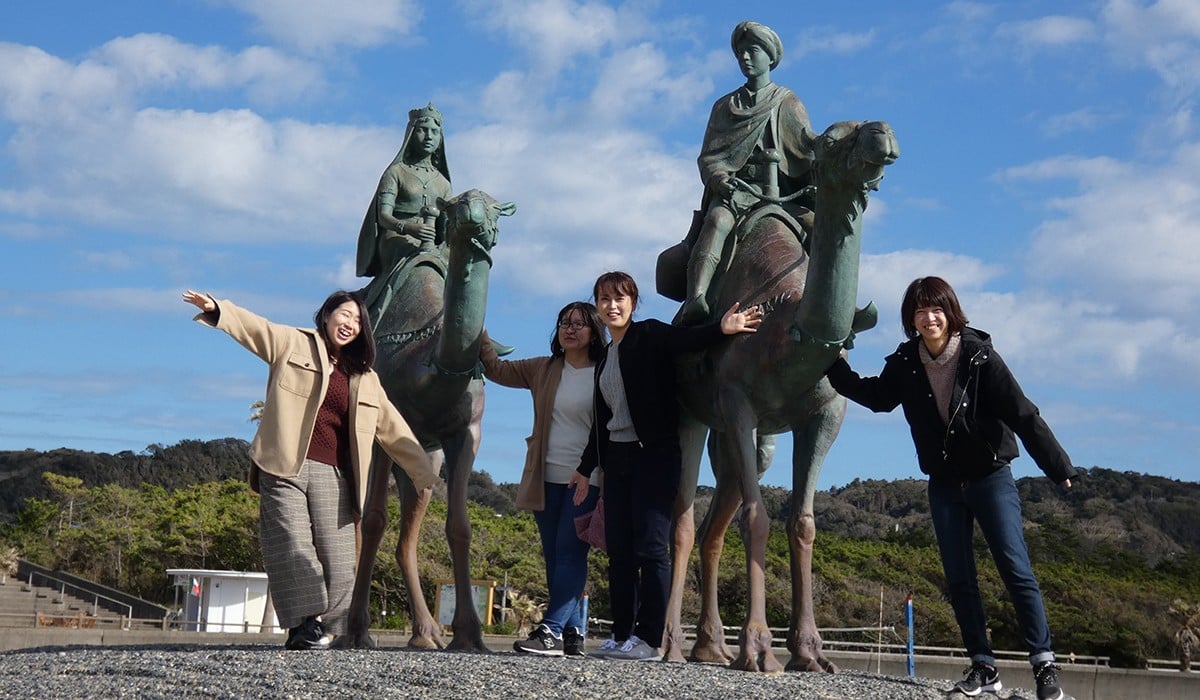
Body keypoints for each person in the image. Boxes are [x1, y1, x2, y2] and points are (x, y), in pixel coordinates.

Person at [824, 276, 1074, 700]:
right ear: (911, 319)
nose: (929, 317)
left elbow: (1022, 413)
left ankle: (1045, 666)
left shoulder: (979, 357)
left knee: (1016, 570)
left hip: (990, 476)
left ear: (950, 312)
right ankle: (983, 667)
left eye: (936, 308)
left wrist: (1057, 465)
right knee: (960, 578)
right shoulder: (905, 363)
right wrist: (831, 363)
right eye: (920, 311)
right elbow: (877, 397)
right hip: (943, 483)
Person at [182, 289, 439, 650]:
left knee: (339, 560)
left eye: (356, 320)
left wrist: (424, 474)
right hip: (285, 464)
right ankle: (304, 626)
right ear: (327, 315)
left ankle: (325, 627)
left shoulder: (365, 379)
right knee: (292, 544)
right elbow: (256, 328)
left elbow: (394, 430)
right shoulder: (293, 343)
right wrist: (217, 310)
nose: (348, 324)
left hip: (335, 475)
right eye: (343, 315)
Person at [569, 271, 762, 661]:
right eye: (605, 299)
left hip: (654, 456)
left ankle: (649, 638)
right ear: (598, 305)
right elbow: (601, 419)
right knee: (619, 550)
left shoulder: (651, 335)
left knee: (652, 547)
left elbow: (686, 340)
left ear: (633, 304)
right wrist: (586, 468)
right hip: (618, 459)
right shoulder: (606, 354)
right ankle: (621, 634)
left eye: (620, 298)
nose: (612, 305)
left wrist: (724, 328)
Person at [479, 302, 608, 657]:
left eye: (579, 324)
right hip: (545, 476)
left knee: (570, 552)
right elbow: (496, 369)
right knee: (554, 556)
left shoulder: (606, 371)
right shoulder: (544, 368)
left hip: (588, 477)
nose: (570, 329)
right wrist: (476, 326)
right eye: (565, 322)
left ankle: (549, 632)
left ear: (594, 331)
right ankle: (574, 631)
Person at [677, 21, 816, 325]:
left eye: (753, 51)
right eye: (741, 53)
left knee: (824, 227)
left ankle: (834, 309)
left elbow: (807, 150)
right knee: (717, 220)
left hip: (782, 195)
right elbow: (709, 157)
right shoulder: (725, 106)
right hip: (738, 191)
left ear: (770, 57)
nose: (746, 58)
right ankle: (696, 299)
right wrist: (719, 179)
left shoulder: (787, 102)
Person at [356, 102, 453, 321]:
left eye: (435, 131)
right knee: (417, 257)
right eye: (423, 130)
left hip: (432, 242)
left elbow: (445, 227)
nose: (429, 136)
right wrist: (408, 227)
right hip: (396, 238)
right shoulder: (396, 172)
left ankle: (472, 330)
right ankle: (377, 309)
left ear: (440, 138)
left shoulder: (443, 183)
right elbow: (383, 216)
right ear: (411, 133)